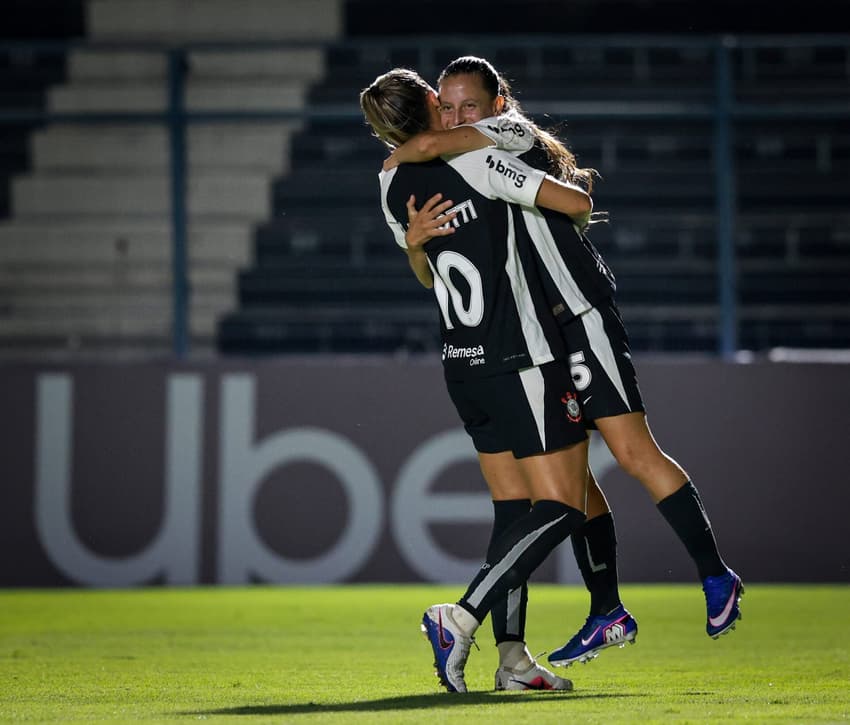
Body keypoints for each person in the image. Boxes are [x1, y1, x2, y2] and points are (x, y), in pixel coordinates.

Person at [393, 55, 744, 668]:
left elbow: (575, 201)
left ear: (497, 104)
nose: (454, 116)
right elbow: (435, 269)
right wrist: (415, 242)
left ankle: (716, 576)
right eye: (445, 105)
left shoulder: (504, 135)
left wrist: (407, 149)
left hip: (579, 315)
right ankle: (606, 610)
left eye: (466, 105)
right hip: (540, 336)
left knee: (632, 453)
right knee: (572, 478)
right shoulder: (457, 158)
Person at [361, 67, 602, 694]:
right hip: (519, 354)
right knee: (564, 506)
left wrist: (416, 246)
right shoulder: (483, 161)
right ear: (435, 107)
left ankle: (514, 661)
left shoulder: (388, 184)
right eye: (449, 105)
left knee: (513, 511)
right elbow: (577, 204)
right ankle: (460, 618)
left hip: (462, 362)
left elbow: (428, 276)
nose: (459, 114)